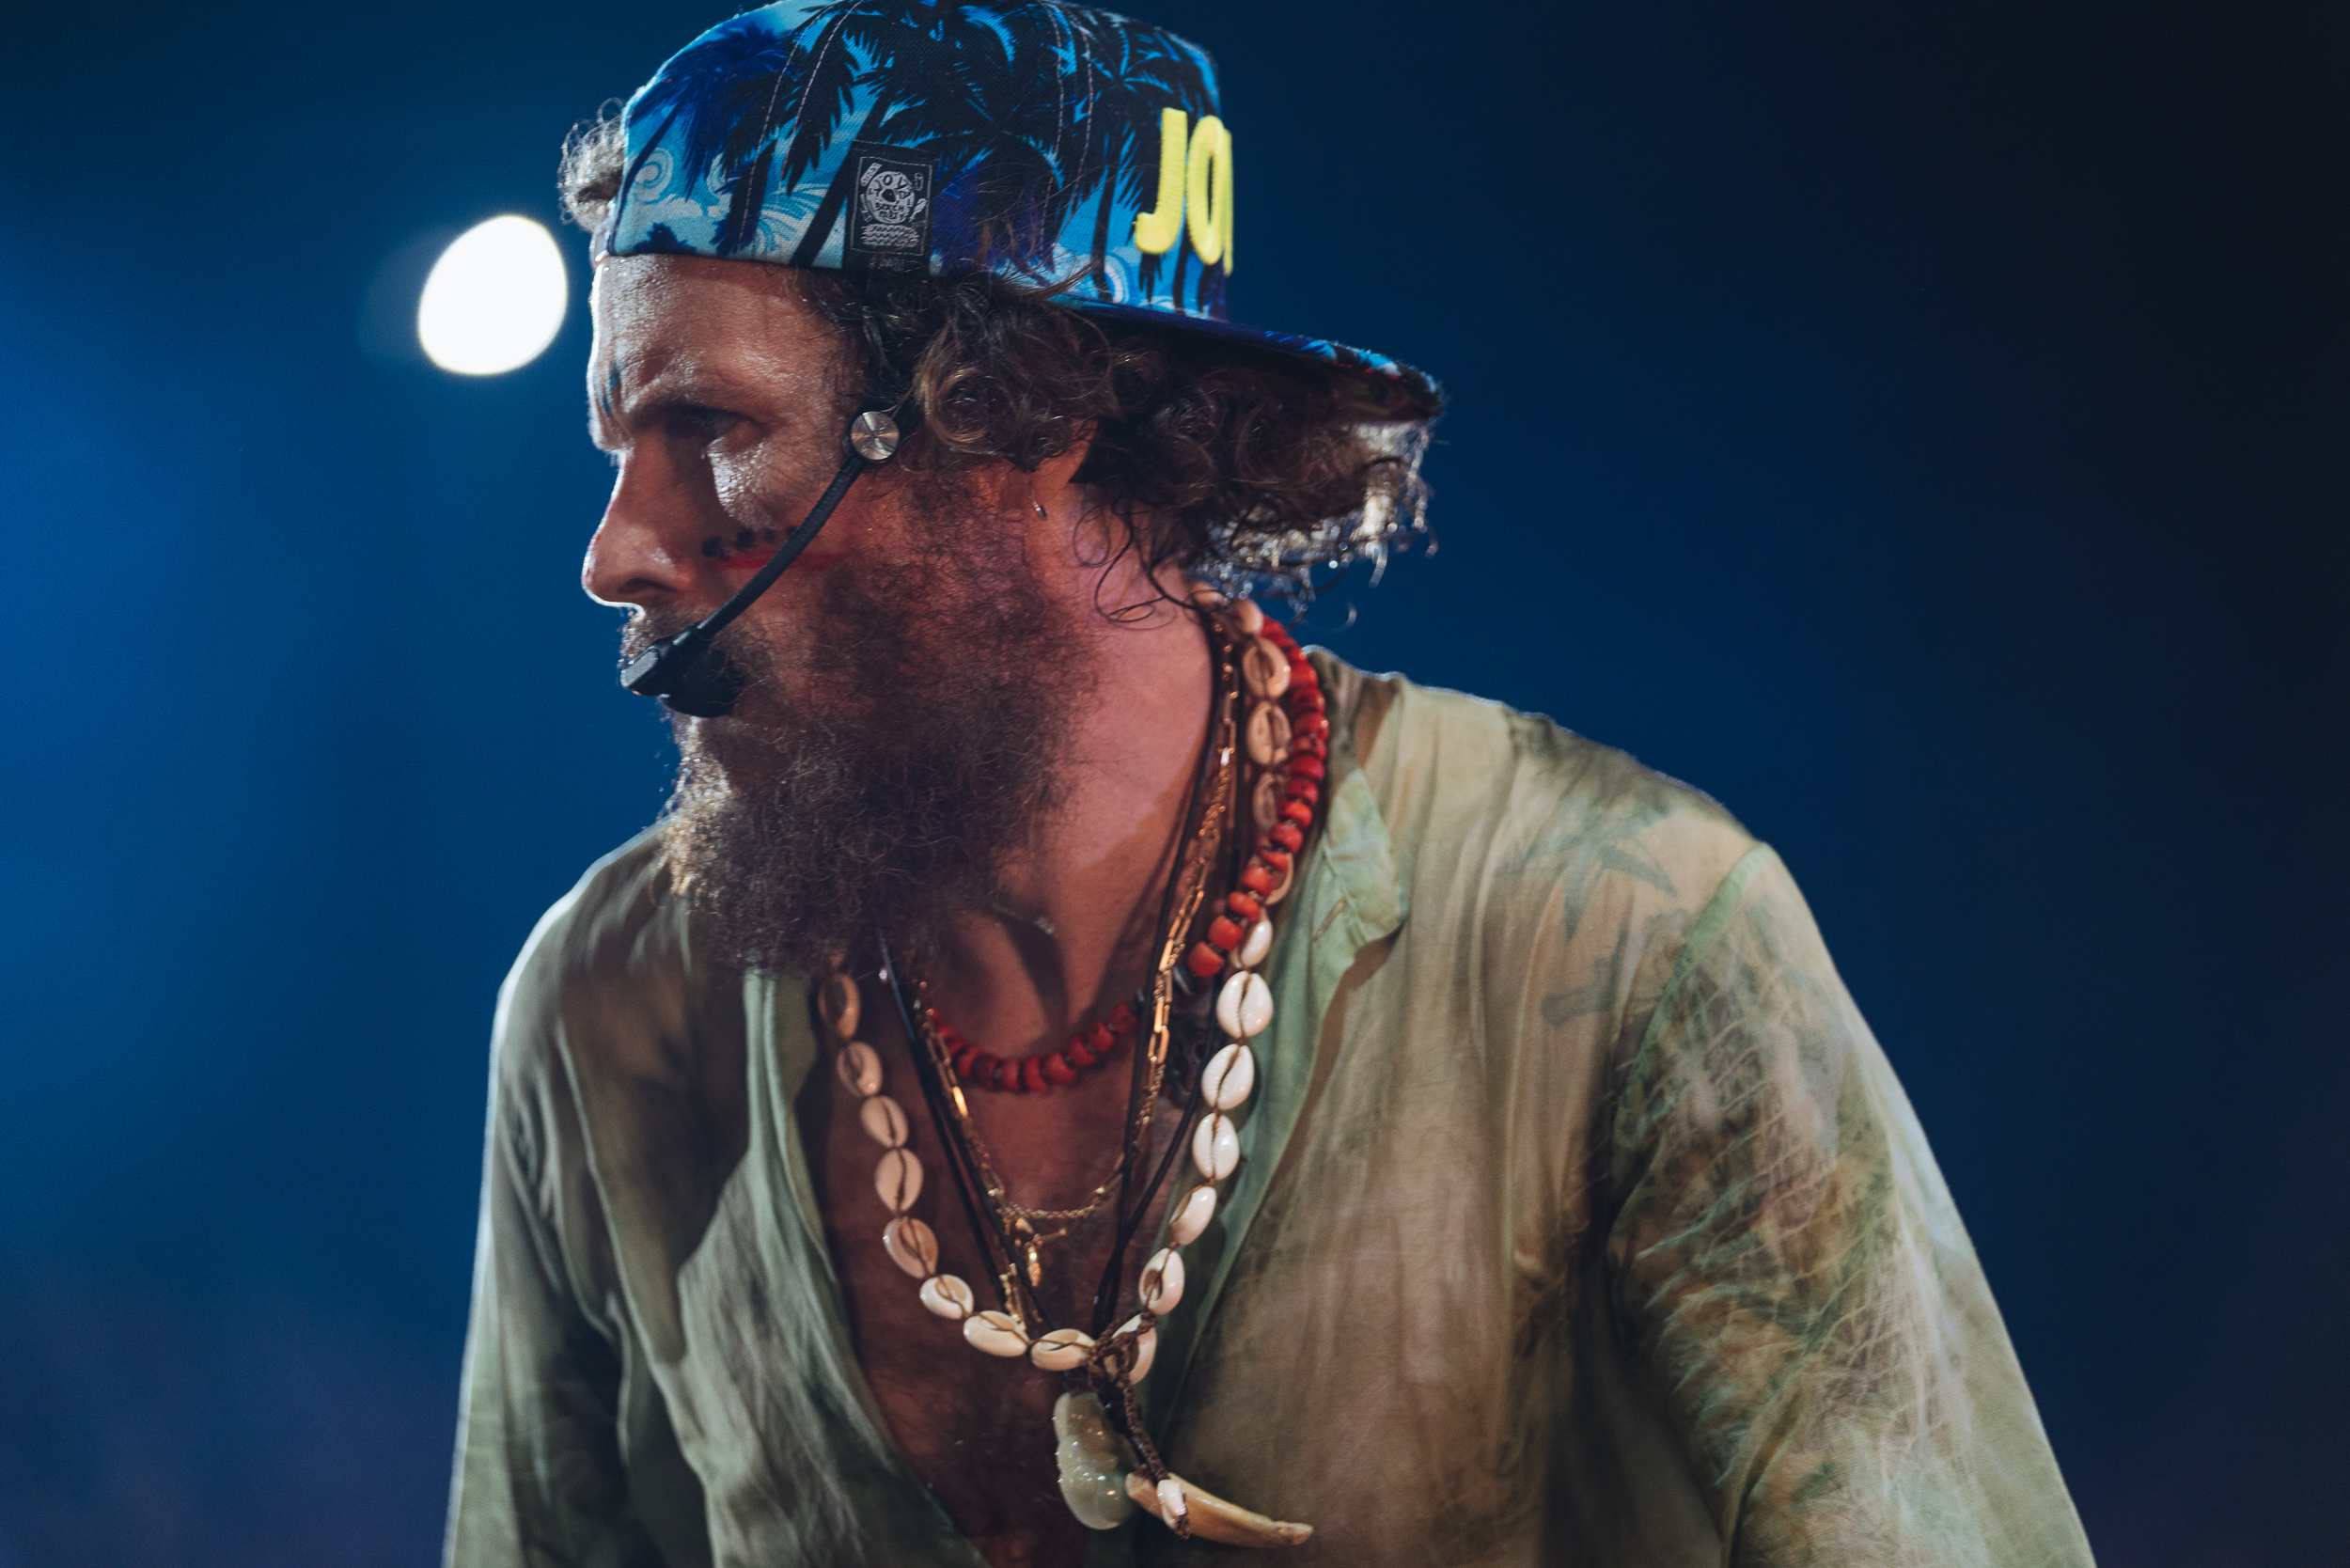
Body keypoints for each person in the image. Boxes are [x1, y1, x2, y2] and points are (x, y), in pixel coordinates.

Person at [444, 5, 2095, 1566]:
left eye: (713, 428)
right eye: (619, 448)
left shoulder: (1622, 935)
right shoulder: (606, 1012)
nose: (617, 553)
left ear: (1022, 416)